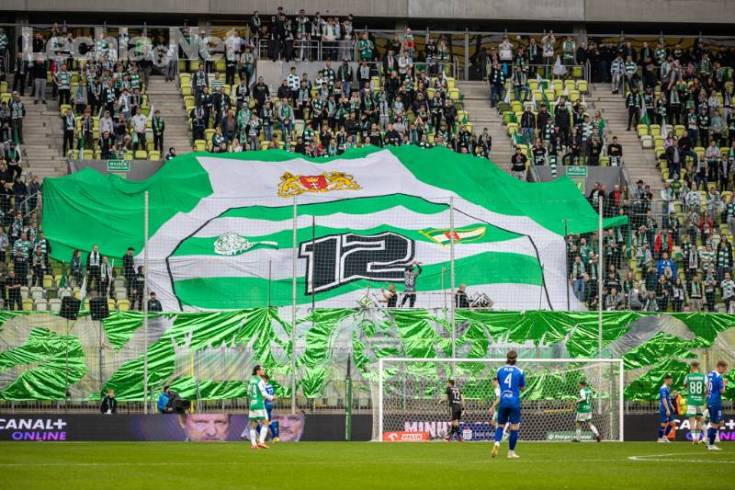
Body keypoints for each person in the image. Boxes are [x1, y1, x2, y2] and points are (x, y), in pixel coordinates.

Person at [492, 350, 525, 459]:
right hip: (514, 402)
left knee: (500, 426)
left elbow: (499, 383)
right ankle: (511, 452)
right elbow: (522, 387)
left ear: (506, 358)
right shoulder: (520, 371)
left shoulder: (499, 370)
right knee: (514, 427)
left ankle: (497, 442)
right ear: (516, 359)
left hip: (503, 401)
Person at [248, 364, 274, 449]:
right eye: (262, 370)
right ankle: (261, 442)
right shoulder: (260, 381)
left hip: (252, 404)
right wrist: (271, 397)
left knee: (253, 424)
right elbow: (263, 393)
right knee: (266, 422)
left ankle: (253, 444)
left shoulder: (251, 380)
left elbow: (248, 393)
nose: (263, 371)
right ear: (258, 371)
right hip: (259, 404)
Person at [705, 360, 728, 451]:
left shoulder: (709, 374)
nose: (724, 371)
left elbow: (706, 387)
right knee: (715, 424)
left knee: (720, 422)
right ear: (720, 367)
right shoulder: (719, 377)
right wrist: (725, 385)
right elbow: (722, 391)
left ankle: (708, 438)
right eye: (724, 369)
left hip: (710, 400)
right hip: (715, 402)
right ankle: (710, 444)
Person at [684, 361, 706, 445]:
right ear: (698, 367)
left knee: (692, 420)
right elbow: (708, 388)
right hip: (700, 401)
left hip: (691, 400)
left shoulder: (688, 376)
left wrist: (689, 389)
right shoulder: (703, 376)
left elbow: (685, 385)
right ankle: (697, 437)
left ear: (692, 367)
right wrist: (703, 395)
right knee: (699, 420)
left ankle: (694, 438)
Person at [657, 374, 674, 443]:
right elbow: (664, 399)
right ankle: (660, 438)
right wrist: (667, 409)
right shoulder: (663, 388)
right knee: (663, 423)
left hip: (668, 407)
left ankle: (665, 436)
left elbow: (668, 399)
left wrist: (672, 406)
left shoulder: (667, 388)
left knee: (672, 423)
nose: (672, 382)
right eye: (671, 380)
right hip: (664, 407)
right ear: (667, 380)